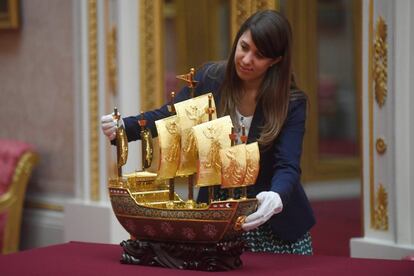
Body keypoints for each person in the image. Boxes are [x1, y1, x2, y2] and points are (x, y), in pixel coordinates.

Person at [101, 10, 315, 255]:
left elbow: (287, 165)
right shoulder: (211, 78)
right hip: (215, 211)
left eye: (259, 55)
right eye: (244, 47)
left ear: (275, 60)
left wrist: (276, 197)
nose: (246, 59)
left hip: (273, 222)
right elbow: (169, 115)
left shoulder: (292, 102)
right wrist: (124, 128)